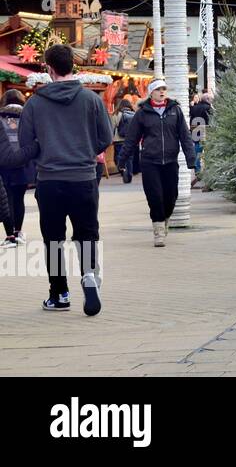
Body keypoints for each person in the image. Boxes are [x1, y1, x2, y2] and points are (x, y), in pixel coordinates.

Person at [18, 44, 113, 315]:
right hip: (84, 178)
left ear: (49, 69)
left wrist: (47, 146)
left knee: (53, 239)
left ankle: (59, 294)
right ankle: (89, 275)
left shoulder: (35, 103)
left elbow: (26, 143)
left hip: (50, 180)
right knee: (87, 233)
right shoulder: (91, 100)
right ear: (73, 66)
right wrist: (85, 150)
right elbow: (106, 137)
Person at [121, 79, 195, 247]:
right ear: (151, 93)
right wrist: (123, 160)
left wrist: (191, 159)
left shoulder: (175, 110)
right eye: (158, 89)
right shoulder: (142, 113)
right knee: (155, 197)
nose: (162, 92)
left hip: (170, 161)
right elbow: (131, 139)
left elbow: (185, 136)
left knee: (171, 197)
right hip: (150, 161)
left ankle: (165, 219)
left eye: (164, 89)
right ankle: (159, 231)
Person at [1, 90, 35, 248]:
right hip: (23, 163)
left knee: (6, 199)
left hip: (4, 164)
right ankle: (18, 232)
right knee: (19, 199)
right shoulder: (27, 117)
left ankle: (10, 236)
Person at [111, 97, 137, 184]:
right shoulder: (134, 114)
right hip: (131, 140)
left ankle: (123, 171)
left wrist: (111, 138)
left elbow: (112, 127)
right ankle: (129, 174)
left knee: (118, 157)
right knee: (129, 158)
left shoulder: (116, 114)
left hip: (119, 140)